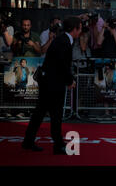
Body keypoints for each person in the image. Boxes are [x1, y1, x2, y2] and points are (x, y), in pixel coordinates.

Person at [22, 16, 81, 155]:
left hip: (50, 82)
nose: (81, 30)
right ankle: (58, 145)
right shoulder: (64, 41)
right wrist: (69, 80)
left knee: (40, 113)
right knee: (55, 114)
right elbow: (62, 64)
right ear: (74, 29)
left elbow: (61, 64)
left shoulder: (63, 40)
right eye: (80, 27)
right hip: (52, 84)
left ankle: (28, 141)